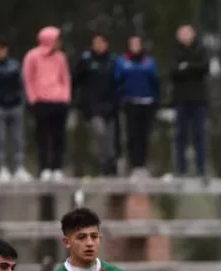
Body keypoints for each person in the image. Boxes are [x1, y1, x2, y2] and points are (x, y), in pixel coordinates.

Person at [23, 26, 71, 181]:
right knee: (43, 136)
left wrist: (66, 97)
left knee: (59, 137)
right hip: (41, 102)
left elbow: (65, 78)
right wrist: (32, 99)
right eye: (57, 39)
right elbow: (28, 78)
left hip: (58, 101)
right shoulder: (32, 56)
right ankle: (44, 168)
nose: (59, 43)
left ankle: (57, 167)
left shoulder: (61, 57)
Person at [0, 38, 30, 182]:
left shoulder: (14, 65)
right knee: (0, 139)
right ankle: (2, 168)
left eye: (3, 49)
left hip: (15, 106)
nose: (1, 52)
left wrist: (21, 102)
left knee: (18, 139)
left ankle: (19, 167)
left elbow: (21, 85)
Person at [74, 33, 119, 176]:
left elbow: (118, 83)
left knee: (111, 139)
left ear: (106, 44)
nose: (98, 45)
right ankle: (104, 164)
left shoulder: (113, 61)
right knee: (100, 134)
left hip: (110, 107)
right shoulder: (86, 60)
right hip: (93, 107)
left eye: (101, 42)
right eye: (95, 42)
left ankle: (111, 166)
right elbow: (75, 80)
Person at [114, 35, 159, 178]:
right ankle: (133, 164)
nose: (135, 46)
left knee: (144, 134)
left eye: (137, 43)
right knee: (132, 135)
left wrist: (156, 99)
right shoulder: (122, 61)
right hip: (130, 101)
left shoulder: (149, 61)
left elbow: (155, 81)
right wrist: (120, 98)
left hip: (147, 101)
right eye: (132, 44)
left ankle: (142, 165)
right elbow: (117, 81)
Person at [171, 24, 210, 177]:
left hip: (199, 100)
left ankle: (201, 169)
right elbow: (173, 71)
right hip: (181, 100)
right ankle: (181, 169)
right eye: (182, 33)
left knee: (199, 135)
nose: (185, 36)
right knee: (181, 135)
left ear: (193, 34)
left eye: (188, 33)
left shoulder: (201, 50)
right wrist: (193, 68)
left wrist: (186, 66)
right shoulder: (175, 52)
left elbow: (204, 68)